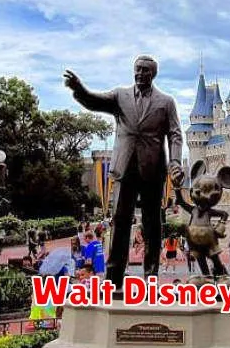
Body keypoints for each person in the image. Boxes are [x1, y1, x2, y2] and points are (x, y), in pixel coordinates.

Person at [64, 56, 184, 291]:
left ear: (153, 74)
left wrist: (176, 162)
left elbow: (175, 134)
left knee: (152, 226)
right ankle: (113, 279)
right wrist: (79, 89)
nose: (140, 73)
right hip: (124, 169)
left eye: (145, 70)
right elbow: (94, 101)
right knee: (120, 222)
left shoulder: (166, 102)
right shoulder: (120, 96)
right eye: (137, 69)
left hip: (153, 170)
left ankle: (151, 279)